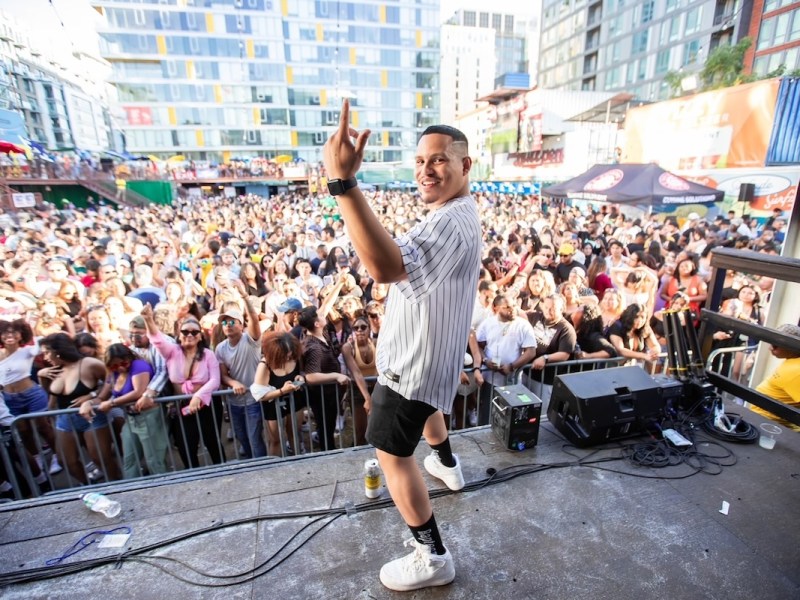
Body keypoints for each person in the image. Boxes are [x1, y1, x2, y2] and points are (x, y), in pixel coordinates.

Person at [323, 102, 480, 591]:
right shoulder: (454, 212)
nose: (425, 169)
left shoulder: (449, 222)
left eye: (438, 160)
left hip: (413, 365)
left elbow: (385, 268)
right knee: (429, 412)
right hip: (432, 361)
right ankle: (447, 464)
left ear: (465, 165)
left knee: (391, 454)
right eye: (419, 161)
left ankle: (431, 554)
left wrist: (342, 184)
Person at [140, 304, 224, 469]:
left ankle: (222, 471)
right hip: (182, 406)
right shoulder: (172, 351)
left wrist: (198, 396)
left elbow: (215, 380)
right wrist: (148, 319)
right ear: (179, 335)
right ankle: (195, 479)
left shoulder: (208, 355)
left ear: (200, 336)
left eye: (194, 332)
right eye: (185, 332)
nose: (189, 335)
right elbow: (157, 339)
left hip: (207, 404)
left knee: (212, 441)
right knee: (187, 446)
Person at [38, 333, 122, 483]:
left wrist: (95, 396)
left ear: (58, 351)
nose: (45, 357)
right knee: (66, 461)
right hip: (65, 420)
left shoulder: (88, 363)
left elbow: (112, 380)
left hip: (92, 417)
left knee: (101, 458)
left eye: (46, 352)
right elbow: (50, 393)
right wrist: (41, 376)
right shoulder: (52, 369)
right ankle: (89, 487)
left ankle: (117, 485)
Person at [80, 343, 168, 479]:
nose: (120, 368)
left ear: (129, 358)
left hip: (148, 417)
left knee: (154, 459)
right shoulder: (112, 373)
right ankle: (133, 490)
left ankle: (164, 489)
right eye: (114, 366)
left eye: (124, 363)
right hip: (130, 418)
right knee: (129, 459)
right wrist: (89, 402)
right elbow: (103, 395)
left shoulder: (138, 365)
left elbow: (138, 392)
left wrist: (112, 403)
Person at [0, 320, 60, 475]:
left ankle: (57, 456)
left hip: (31, 394)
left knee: (43, 427)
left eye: (14, 332)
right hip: (9, 398)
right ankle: (37, 459)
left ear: (21, 335)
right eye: (5, 332)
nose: (9, 335)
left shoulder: (27, 350)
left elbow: (47, 344)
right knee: (23, 430)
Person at [215, 285, 266, 459]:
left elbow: (254, 318)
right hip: (234, 401)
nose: (227, 325)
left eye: (231, 322)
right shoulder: (220, 348)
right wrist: (232, 382)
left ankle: (261, 470)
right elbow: (222, 374)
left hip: (253, 399)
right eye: (224, 322)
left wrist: (244, 296)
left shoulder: (251, 340)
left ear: (241, 324)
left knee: (254, 439)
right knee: (242, 438)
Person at [251, 332, 307, 457]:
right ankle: (273, 469)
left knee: (294, 434)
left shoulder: (295, 357)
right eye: (284, 353)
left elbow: (302, 372)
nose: (288, 356)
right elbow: (260, 395)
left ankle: (299, 464)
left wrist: (300, 377)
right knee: (275, 440)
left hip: (295, 401)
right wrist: (282, 391)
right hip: (273, 406)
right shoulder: (265, 365)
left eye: (290, 352)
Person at [752, 323, 800, 431]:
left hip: (772, 427)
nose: (770, 348)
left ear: (792, 346)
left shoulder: (797, 371)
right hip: (768, 421)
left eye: (775, 345)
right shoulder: (793, 361)